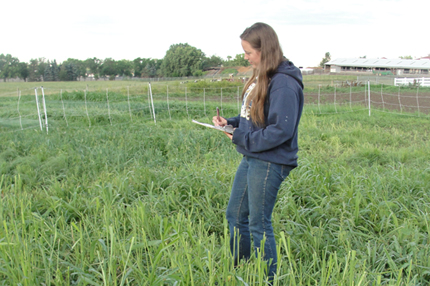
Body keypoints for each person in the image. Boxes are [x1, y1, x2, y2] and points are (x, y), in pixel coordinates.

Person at [212, 22, 304, 282]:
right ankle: (240, 270)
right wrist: (230, 123)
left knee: (258, 224)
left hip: (271, 161)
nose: (245, 57)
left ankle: (267, 279)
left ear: (265, 50)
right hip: (253, 156)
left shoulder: (284, 83)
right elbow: (255, 119)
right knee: (234, 215)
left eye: (249, 52)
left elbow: (281, 131)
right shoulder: (263, 76)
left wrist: (240, 136)